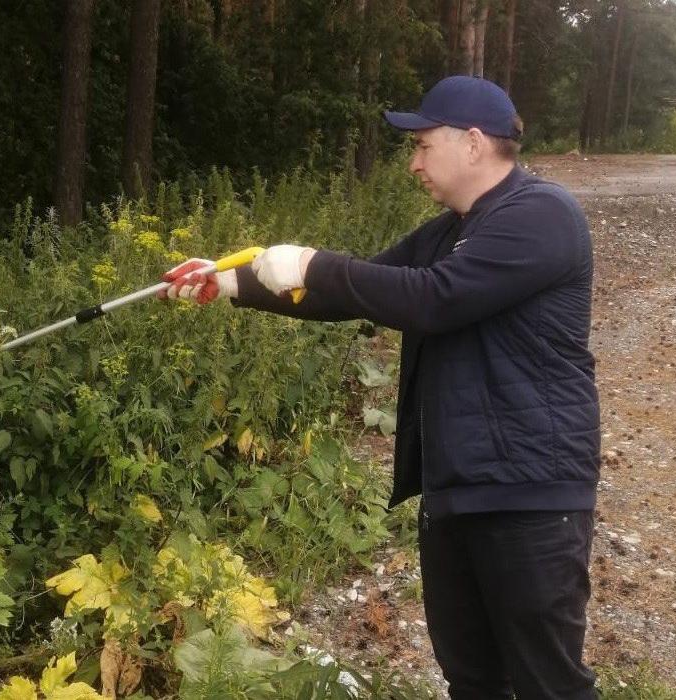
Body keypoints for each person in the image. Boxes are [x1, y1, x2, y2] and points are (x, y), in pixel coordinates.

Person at [160, 76, 600, 699]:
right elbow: (362, 286)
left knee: (548, 683)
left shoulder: (542, 215)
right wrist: (232, 284)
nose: (414, 162)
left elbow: (434, 299)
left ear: (473, 143)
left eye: (423, 145)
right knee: (473, 679)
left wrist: (314, 262)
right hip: (458, 491)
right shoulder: (448, 231)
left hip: (530, 495)